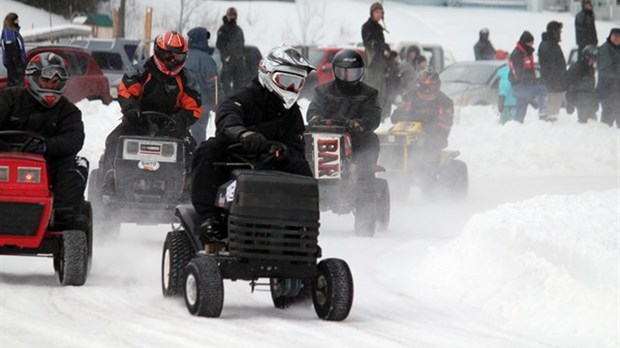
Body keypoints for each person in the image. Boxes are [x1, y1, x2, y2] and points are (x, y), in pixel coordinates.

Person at [191, 45, 314, 243]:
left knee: (302, 167)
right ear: (267, 74)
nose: (291, 89)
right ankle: (210, 217)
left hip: (272, 162)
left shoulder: (292, 115)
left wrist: (285, 151)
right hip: (235, 157)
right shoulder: (244, 98)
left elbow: (296, 145)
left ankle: (302, 226)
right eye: (286, 81)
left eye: (297, 84)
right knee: (207, 149)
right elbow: (227, 119)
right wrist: (243, 135)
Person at [0, 52, 88, 225]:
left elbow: (74, 139)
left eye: (55, 82)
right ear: (33, 78)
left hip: (47, 162)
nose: (51, 86)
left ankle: (60, 217)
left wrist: (47, 146)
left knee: (77, 167)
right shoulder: (10, 98)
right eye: (46, 81)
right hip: (4, 158)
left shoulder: (68, 111)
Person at [103, 31, 202, 182]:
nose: (172, 61)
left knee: (191, 148)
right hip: (138, 122)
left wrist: (179, 121)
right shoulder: (139, 71)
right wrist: (132, 111)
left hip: (171, 127)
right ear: (158, 52)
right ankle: (110, 178)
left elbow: (193, 107)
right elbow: (126, 92)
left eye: (177, 56)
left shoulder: (188, 80)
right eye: (168, 56)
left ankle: (187, 186)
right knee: (113, 140)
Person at [307, 49, 381, 196]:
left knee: (371, 139)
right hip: (325, 135)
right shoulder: (323, 91)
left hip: (355, 137)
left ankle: (363, 178)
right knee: (303, 140)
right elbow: (313, 111)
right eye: (343, 72)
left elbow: (373, 116)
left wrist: (358, 124)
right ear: (335, 71)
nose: (347, 77)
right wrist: (316, 119)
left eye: (352, 73)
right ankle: (308, 176)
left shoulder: (369, 93)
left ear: (360, 72)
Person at [390, 70, 454, 187]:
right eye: (424, 86)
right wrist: (404, 116)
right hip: (409, 132)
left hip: (434, 135)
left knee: (430, 147)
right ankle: (392, 172)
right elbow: (395, 116)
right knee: (391, 142)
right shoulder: (409, 97)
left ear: (437, 86)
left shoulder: (445, 101)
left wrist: (429, 129)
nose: (427, 90)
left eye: (431, 86)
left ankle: (430, 179)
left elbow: (446, 122)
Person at [186, 27, 223, 143]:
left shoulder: (182, 56)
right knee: (199, 133)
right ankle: (195, 155)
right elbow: (214, 84)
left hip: (181, 103)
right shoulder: (206, 60)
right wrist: (218, 103)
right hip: (200, 104)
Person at [508, 31, 549, 123]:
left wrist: (534, 80)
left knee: (521, 106)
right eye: (531, 43)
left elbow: (528, 71)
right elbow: (519, 74)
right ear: (526, 43)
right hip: (519, 85)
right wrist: (534, 81)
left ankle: (517, 124)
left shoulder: (525, 53)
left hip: (521, 85)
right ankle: (543, 115)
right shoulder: (517, 54)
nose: (532, 45)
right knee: (542, 89)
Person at [538, 21, 567, 121]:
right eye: (559, 31)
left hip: (553, 84)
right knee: (552, 115)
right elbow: (552, 67)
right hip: (553, 85)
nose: (560, 34)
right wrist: (559, 81)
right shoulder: (549, 45)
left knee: (552, 113)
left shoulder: (549, 44)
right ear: (554, 32)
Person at [216, 7, 245, 96]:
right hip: (228, 62)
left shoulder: (238, 30)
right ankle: (227, 102)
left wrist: (241, 57)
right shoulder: (223, 29)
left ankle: (237, 102)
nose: (232, 17)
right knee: (226, 85)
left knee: (239, 85)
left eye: (234, 15)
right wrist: (226, 57)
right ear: (227, 16)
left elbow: (242, 44)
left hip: (238, 62)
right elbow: (219, 45)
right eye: (230, 15)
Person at [361, 2, 389, 94]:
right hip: (372, 65)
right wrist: (382, 47)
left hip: (380, 66)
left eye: (381, 12)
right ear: (372, 13)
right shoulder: (367, 26)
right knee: (372, 93)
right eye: (377, 12)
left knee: (381, 94)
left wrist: (386, 48)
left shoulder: (378, 28)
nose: (379, 14)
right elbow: (370, 44)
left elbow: (381, 45)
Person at [566, 45, 598, 123]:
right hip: (580, 98)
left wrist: (595, 101)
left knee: (592, 121)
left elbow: (592, 87)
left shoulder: (590, 68)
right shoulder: (576, 68)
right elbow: (570, 85)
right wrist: (570, 103)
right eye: (592, 59)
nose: (593, 62)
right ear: (586, 57)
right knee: (584, 121)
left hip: (589, 99)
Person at [596, 28, 620, 128]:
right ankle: (604, 136)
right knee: (608, 112)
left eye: (619, 37)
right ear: (610, 36)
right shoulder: (605, 49)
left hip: (616, 89)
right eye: (614, 36)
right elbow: (605, 70)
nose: (616, 39)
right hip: (607, 88)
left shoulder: (617, 49)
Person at [1, 12, 26, 87]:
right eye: (16, 20)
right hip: (15, 65)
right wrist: (18, 64)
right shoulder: (8, 32)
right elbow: (11, 51)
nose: (18, 21)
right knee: (16, 86)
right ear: (12, 21)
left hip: (17, 64)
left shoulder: (13, 31)